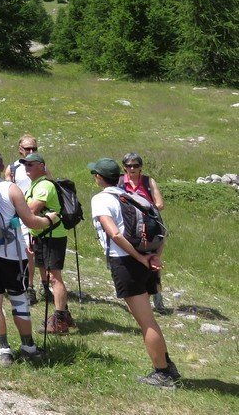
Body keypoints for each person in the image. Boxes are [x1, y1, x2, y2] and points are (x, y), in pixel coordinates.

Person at [89, 157, 179, 387]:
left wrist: (139, 258)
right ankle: (166, 364)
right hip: (144, 259)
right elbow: (161, 230)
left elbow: (114, 234)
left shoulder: (101, 199)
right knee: (146, 317)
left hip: (126, 262)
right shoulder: (132, 196)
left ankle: (162, 373)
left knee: (146, 321)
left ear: (99, 177)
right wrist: (154, 256)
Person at [0, 150, 58, 366]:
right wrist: (49, 219)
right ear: (2, 168)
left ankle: (4, 350)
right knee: (18, 298)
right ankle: (28, 347)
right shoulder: (11, 189)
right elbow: (31, 222)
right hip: (12, 255)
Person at [22, 152, 75, 333]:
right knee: (46, 275)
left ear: (41, 166)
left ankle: (59, 320)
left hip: (53, 236)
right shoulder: (35, 185)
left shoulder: (44, 185)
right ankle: (65, 314)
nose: (27, 167)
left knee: (54, 277)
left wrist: (19, 207)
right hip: (41, 235)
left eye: (30, 164)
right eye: (25, 164)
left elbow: (30, 210)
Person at [120, 153, 169, 314]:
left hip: (150, 225)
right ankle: (137, 300)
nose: (132, 168)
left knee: (154, 261)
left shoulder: (148, 181)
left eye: (135, 165)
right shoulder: (120, 182)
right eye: (129, 165)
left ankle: (158, 300)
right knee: (132, 262)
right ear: (124, 167)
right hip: (130, 227)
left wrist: (142, 206)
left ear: (141, 167)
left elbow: (160, 204)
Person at [7, 135, 44, 304]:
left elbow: (50, 184)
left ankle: (44, 284)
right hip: (21, 215)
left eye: (34, 149)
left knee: (40, 251)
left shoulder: (42, 166)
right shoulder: (13, 168)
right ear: (20, 149)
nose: (31, 151)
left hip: (40, 214)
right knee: (28, 251)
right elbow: (8, 190)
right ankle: (30, 286)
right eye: (27, 148)